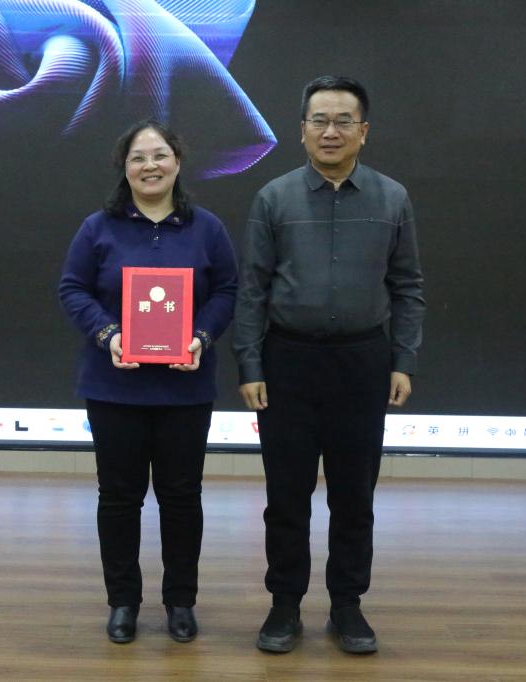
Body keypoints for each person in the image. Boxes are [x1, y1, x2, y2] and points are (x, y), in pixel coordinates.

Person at [233, 76, 426, 654]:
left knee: (354, 496)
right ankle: (284, 605)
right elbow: (252, 290)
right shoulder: (273, 198)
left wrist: (403, 358)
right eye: (319, 120)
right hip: (287, 363)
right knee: (286, 496)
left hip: (363, 362)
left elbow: (408, 286)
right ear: (302, 131)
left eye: (344, 121)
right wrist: (249, 364)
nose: (331, 131)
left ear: (364, 131)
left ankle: (347, 605)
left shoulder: (392, 198)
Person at [59, 119, 238, 644]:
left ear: (177, 162)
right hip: (114, 388)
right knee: (119, 498)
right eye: (138, 157)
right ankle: (123, 602)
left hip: (186, 389)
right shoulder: (98, 228)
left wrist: (200, 336)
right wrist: (108, 334)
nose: (150, 165)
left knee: (182, 498)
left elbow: (227, 291)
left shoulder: (207, 228)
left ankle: (180, 601)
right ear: (125, 168)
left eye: (159, 155)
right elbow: (72, 289)